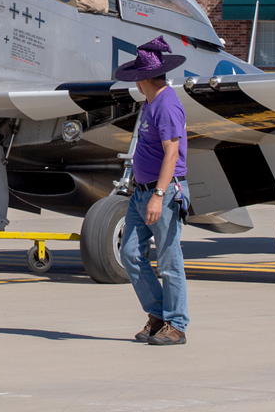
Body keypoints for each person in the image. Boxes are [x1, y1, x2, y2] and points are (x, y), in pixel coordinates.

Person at [116, 36, 190, 346]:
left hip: (164, 193)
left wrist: (159, 195)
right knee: (130, 252)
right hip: (141, 192)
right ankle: (158, 314)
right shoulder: (150, 103)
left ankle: (176, 325)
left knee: (170, 262)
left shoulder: (167, 104)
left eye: (136, 77)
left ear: (144, 78)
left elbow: (171, 154)